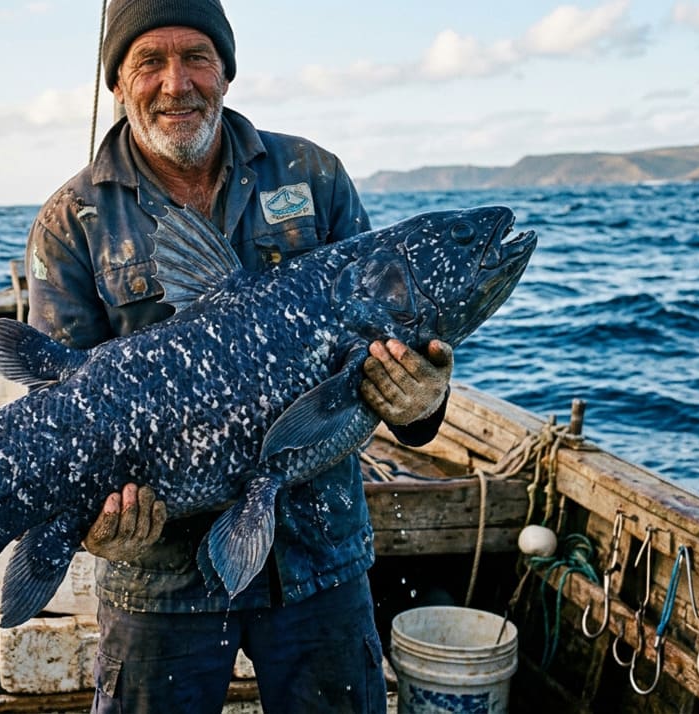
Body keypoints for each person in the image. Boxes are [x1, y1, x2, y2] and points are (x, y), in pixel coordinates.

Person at [23, 1, 453, 711]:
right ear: (117, 83)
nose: (175, 83)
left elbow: (396, 345)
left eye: (195, 56)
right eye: (148, 63)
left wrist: (423, 406)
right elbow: (55, 413)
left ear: (225, 68)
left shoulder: (315, 175)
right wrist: (98, 527)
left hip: (319, 557)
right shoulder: (72, 219)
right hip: (156, 575)